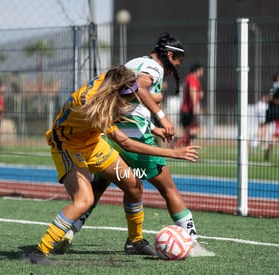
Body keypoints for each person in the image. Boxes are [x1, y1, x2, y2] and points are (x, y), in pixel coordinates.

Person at [55, 34, 215, 257]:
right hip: (133, 140)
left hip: (111, 136)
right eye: (178, 60)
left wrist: (153, 127)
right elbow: (138, 87)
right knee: (168, 189)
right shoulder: (155, 68)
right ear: (169, 55)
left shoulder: (133, 62)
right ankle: (192, 242)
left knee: (103, 185)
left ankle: (70, 230)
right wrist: (162, 117)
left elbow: (127, 101)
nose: (178, 66)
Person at [29, 65, 201, 265]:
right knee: (84, 200)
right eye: (130, 95)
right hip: (67, 146)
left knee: (134, 185)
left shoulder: (113, 80)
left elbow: (130, 101)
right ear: (118, 93)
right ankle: (39, 251)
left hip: (93, 143)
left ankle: (135, 241)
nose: (133, 97)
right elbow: (126, 143)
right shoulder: (90, 103)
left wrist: (154, 127)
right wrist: (173, 153)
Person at [175, 63, 205, 148]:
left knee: (189, 130)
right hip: (188, 109)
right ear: (198, 70)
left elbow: (197, 92)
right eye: (202, 70)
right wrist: (195, 106)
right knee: (195, 130)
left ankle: (187, 145)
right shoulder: (192, 78)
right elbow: (193, 91)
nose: (202, 72)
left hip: (187, 108)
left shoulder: (190, 78)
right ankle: (177, 143)